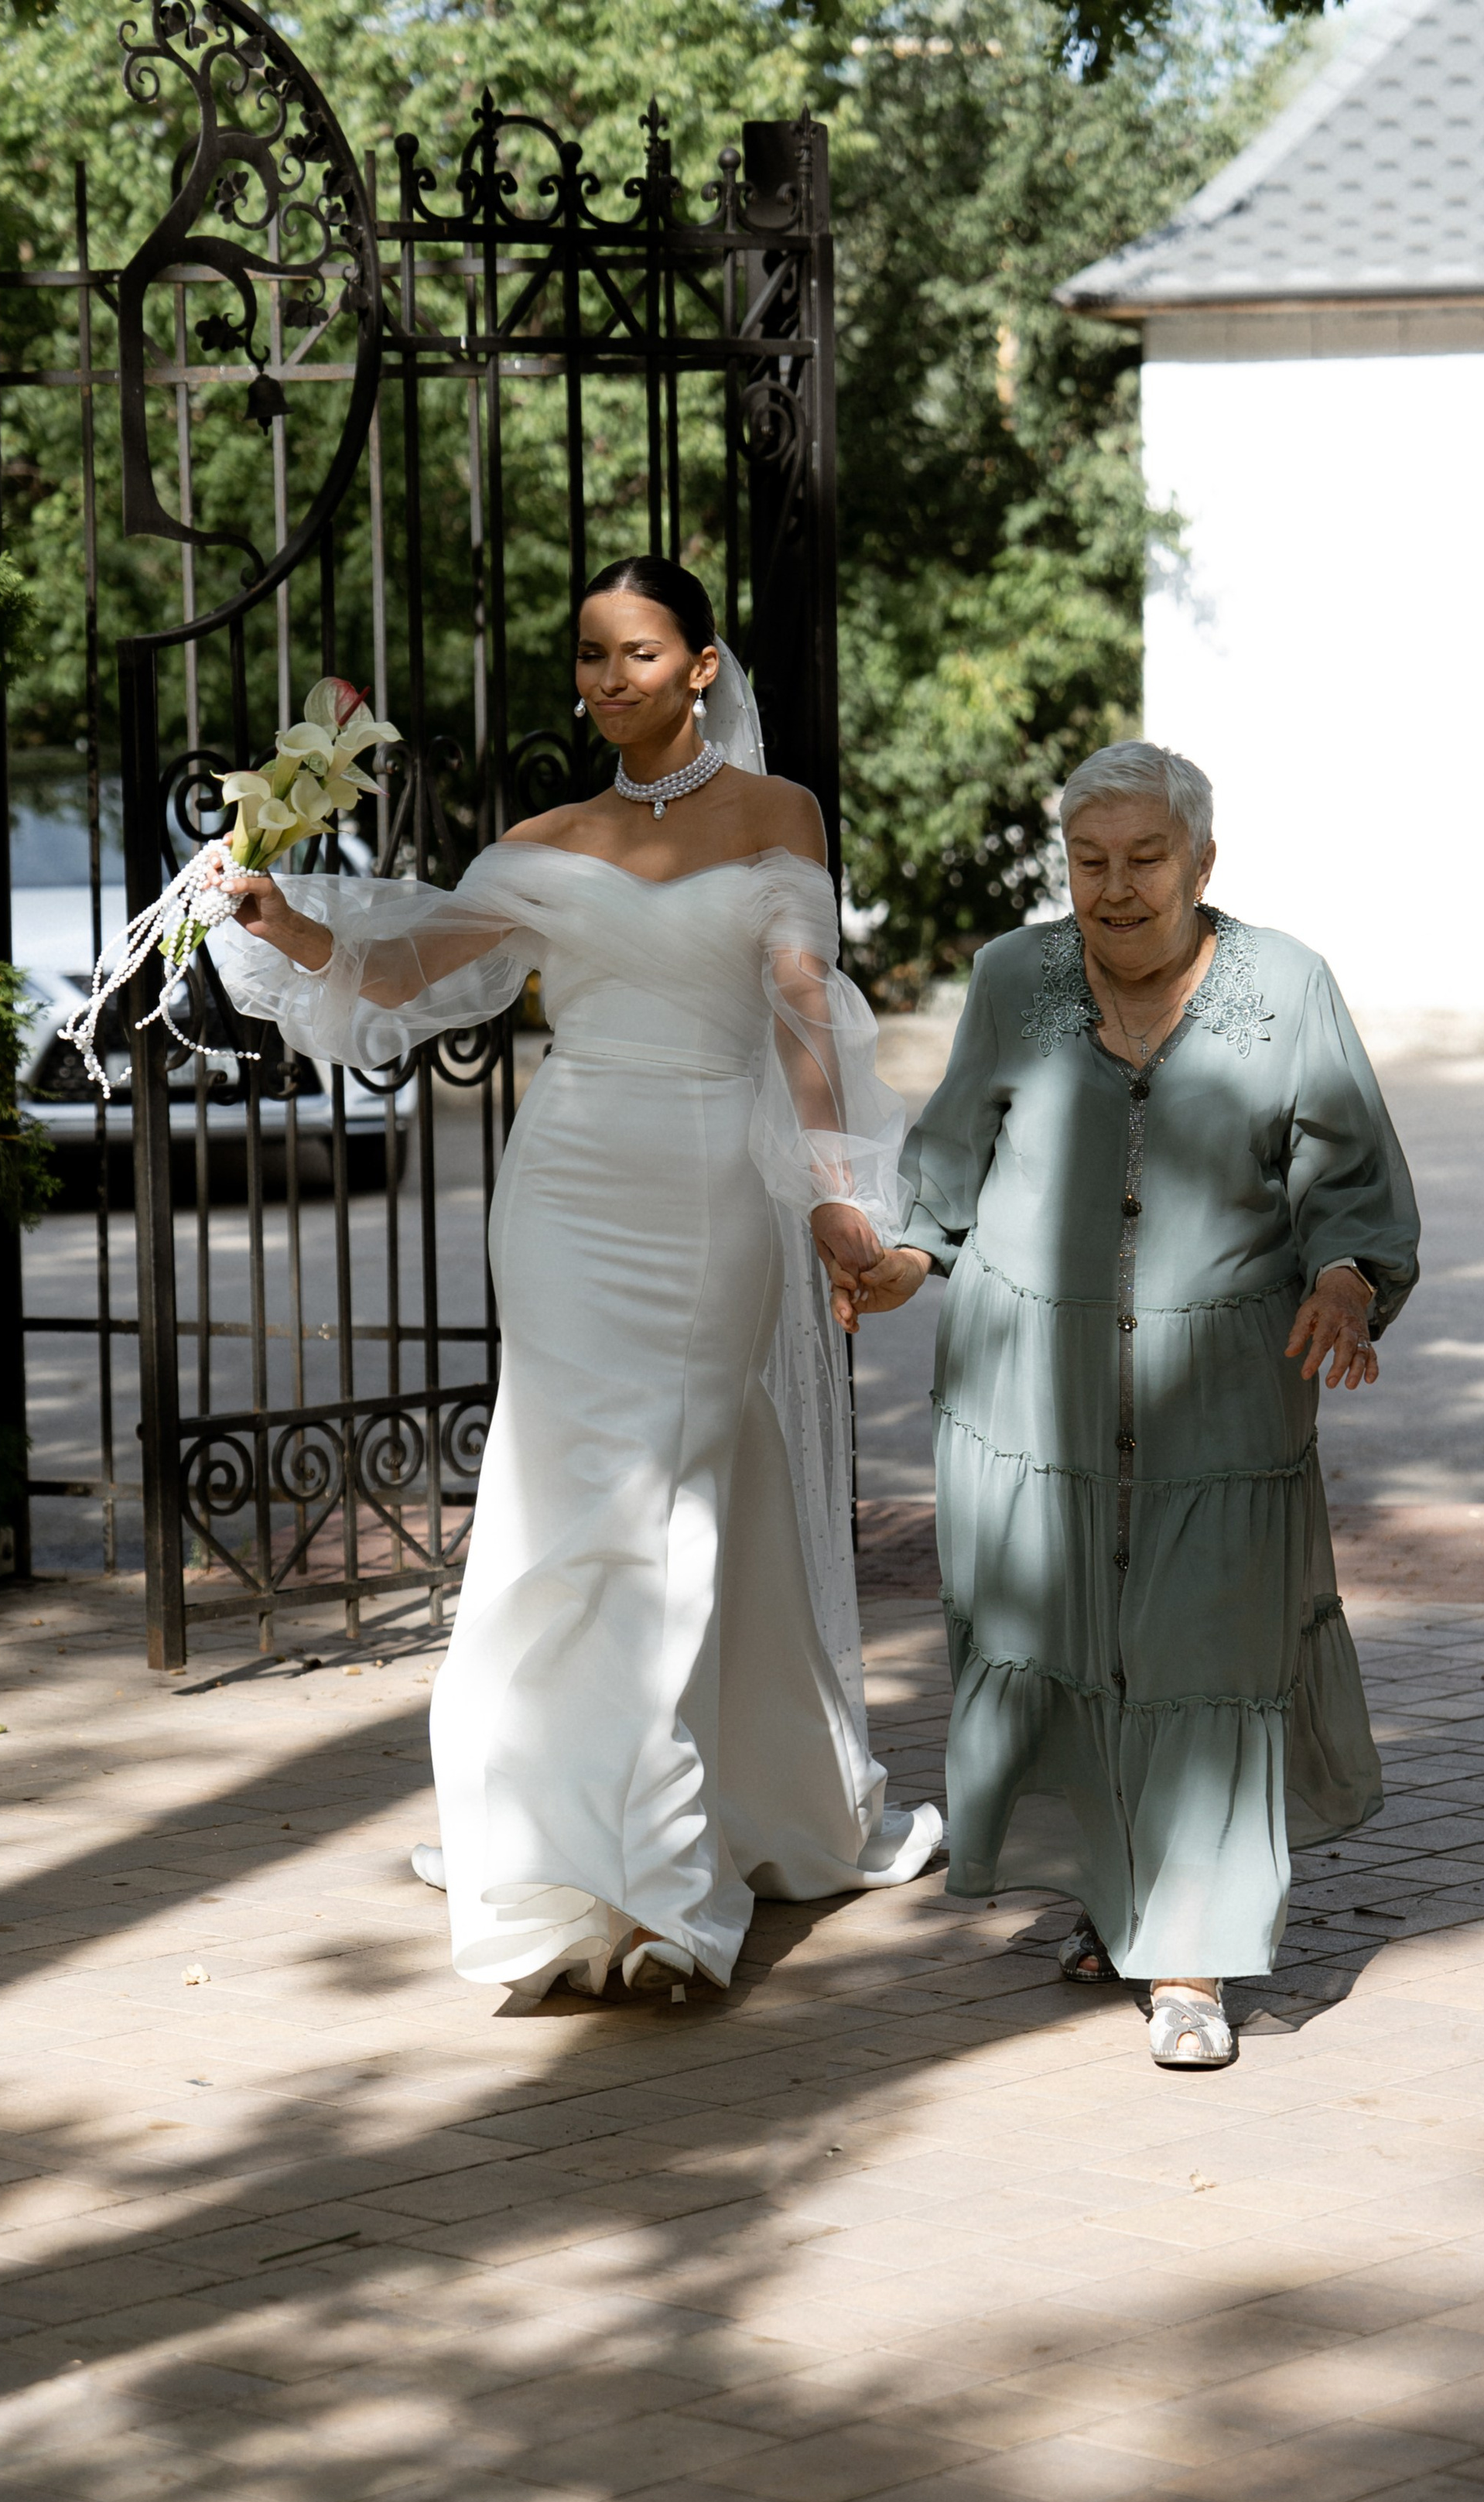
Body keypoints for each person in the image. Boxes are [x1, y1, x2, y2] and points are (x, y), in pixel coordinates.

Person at [206, 557, 943, 2003]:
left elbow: (804, 1011)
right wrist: (286, 923)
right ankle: (565, 1854)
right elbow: (414, 972)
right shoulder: (542, 839)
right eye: (594, 657)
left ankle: (661, 1884)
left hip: (714, 1182)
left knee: (665, 1496)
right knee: (565, 1497)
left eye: (643, 653)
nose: (613, 680)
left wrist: (840, 1197)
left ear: (704, 665)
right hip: (566, 1185)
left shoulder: (777, 816)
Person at [834, 742, 1419, 2066]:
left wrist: (1340, 1281)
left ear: (1202, 862)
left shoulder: (1289, 986)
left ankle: (1194, 1965)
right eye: (1088, 860)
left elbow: (1352, 1180)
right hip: (1028, 1392)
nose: (1113, 886)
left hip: (1222, 1397)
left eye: (1145, 858)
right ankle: (1116, 1899)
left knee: (1205, 1656)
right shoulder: (1013, 979)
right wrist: (898, 1260)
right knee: (1077, 1644)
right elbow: (944, 1170)